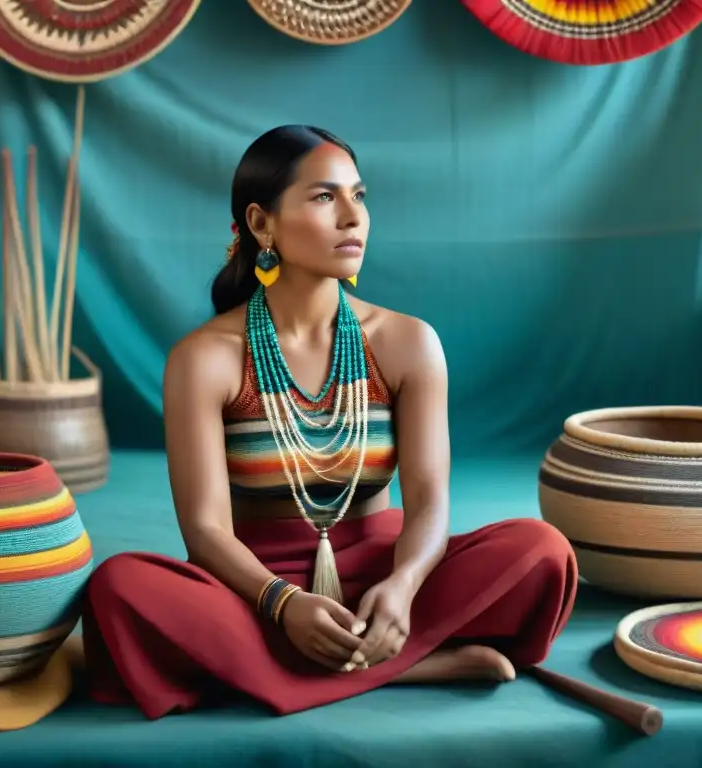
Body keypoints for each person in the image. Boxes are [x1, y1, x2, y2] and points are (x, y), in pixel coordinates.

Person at [81, 125, 578, 720]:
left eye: (359, 197)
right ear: (262, 225)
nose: (353, 218)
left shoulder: (405, 342)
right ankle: (412, 665)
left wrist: (403, 588)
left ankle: (302, 668)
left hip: (383, 569)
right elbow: (206, 531)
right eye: (324, 198)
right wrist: (282, 603)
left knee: (541, 549)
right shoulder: (204, 358)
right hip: (255, 587)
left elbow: (428, 504)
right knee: (120, 586)